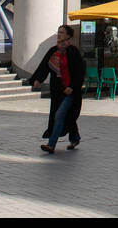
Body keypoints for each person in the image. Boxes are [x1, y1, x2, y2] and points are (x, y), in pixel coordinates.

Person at [30, 25, 85, 154]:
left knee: (59, 115)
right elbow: (44, 66)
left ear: (68, 36)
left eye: (62, 32)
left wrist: (72, 86)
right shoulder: (53, 51)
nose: (59, 35)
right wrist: (38, 79)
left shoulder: (73, 52)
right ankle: (75, 138)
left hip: (70, 92)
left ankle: (51, 144)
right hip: (58, 91)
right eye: (58, 32)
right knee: (68, 117)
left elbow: (79, 72)